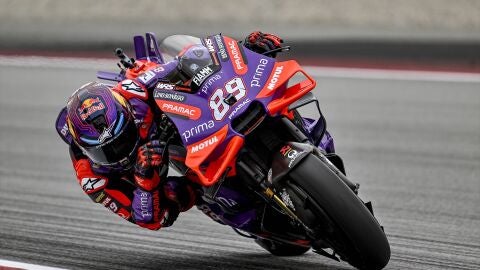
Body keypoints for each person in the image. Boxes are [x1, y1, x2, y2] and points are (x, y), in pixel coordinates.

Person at [55, 31, 288, 230]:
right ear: (85, 149)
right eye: (105, 152)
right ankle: (231, 205)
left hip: (190, 123)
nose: (120, 153)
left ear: (126, 112)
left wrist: (246, 50)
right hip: (159, 174)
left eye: (122, 139)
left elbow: (191, 60)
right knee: (179, 194)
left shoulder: (133, 92)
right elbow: (150, 220)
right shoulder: (92, 178)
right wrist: (146, 181)